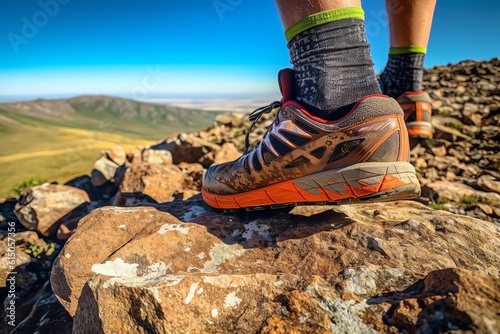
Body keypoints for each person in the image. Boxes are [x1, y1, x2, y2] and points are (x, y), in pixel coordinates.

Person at [202, 0, 436, 210]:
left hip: (334, 125)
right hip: (385, 122)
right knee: (390, 85)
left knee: (334, 91)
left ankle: (330, 106)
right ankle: (399, 91)